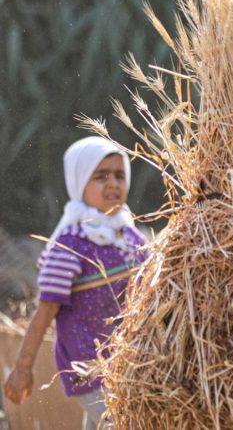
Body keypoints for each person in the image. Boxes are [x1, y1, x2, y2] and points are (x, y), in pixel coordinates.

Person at [3, 136, 149, 430]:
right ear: (78, 181)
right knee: (122, 422)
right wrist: (22, 368)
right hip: (87, 365)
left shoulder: (130, 236)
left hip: (130, 363)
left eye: (119, 175)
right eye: (100, 176)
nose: (113, 184)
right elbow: (45, 311)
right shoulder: (70, 246)